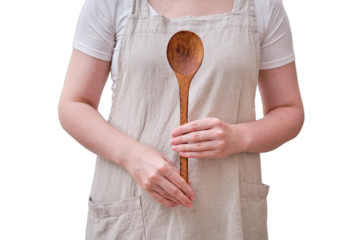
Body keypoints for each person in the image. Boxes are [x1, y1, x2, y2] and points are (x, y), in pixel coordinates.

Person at [57, 0, 305, 239]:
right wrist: (131, 155)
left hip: (228, 209)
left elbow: (289, 110)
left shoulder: (264, 6)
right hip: (133, 208)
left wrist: (239, 138)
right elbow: (73, 105)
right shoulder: (109, 3)